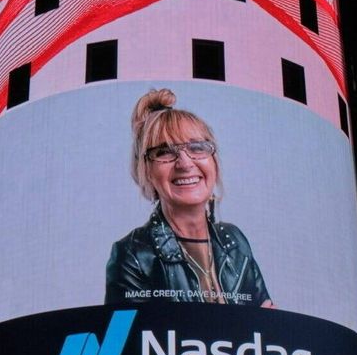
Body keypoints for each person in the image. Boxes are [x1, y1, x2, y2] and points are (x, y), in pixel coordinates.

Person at [105, 88, 273, 307]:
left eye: (197, 147)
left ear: (214, 162)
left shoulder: (235, 241)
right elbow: (134, 339)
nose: (185, 163)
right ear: (146, 170)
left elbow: (268, 325)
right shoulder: (133, 255)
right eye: (164, 152)